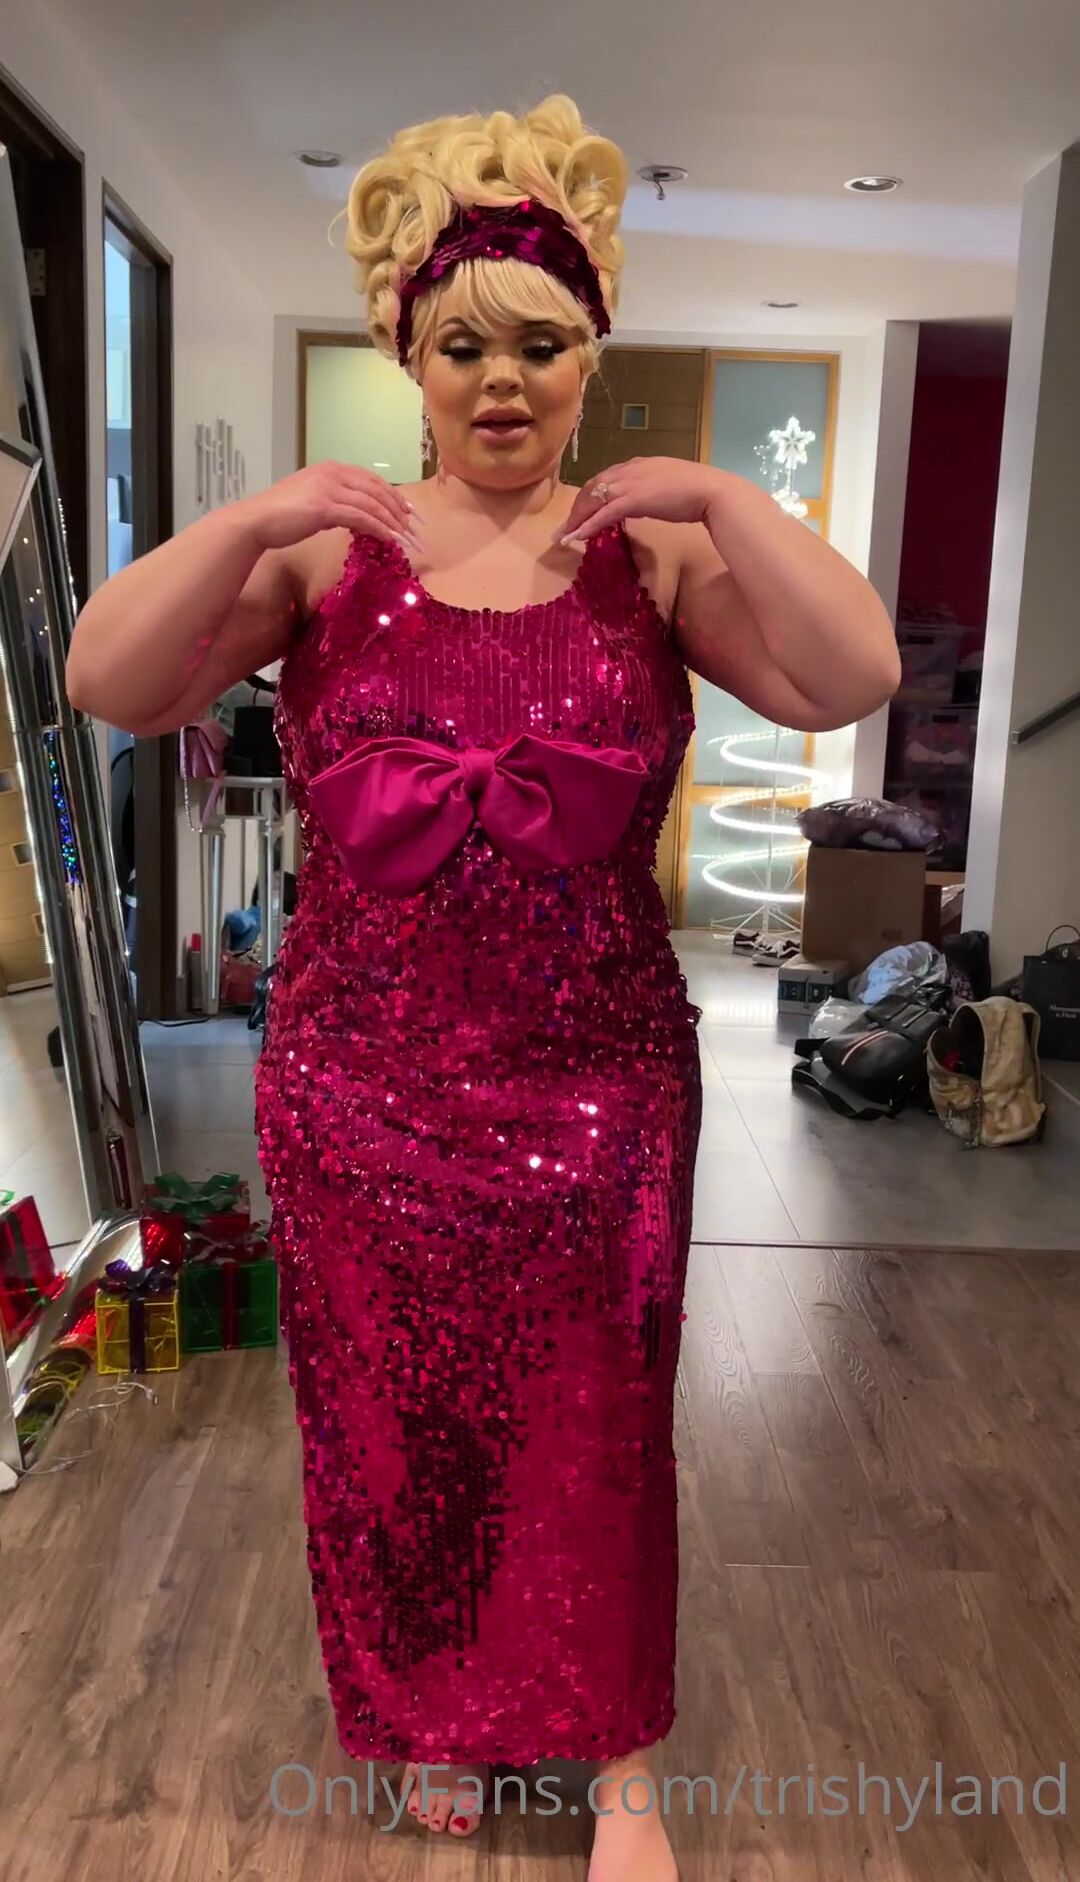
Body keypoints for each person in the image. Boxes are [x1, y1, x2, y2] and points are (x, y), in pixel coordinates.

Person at [66, 94, 899, 1881]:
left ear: (592, 358)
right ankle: (436, 1706)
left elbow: (854, 673)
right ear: (408, 354)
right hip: (359, 1085)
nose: (503, 382)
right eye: (465, 347)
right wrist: (253, 514)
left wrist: (725, 494)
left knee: (600, 1425)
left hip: (599, 1082)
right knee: (396, 1422)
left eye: (542, 344)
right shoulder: (328, 555)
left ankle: (620, 1759)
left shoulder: (650, 559)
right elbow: (106, 680)